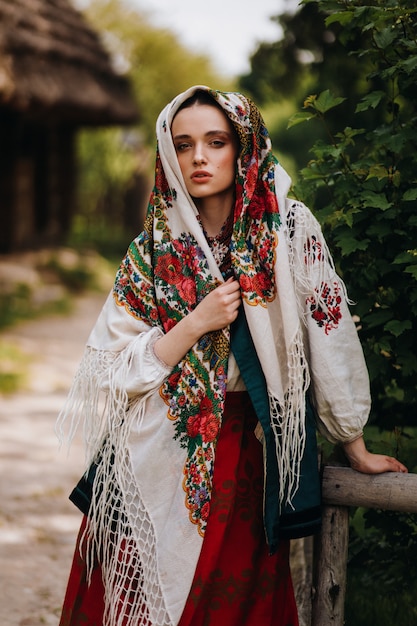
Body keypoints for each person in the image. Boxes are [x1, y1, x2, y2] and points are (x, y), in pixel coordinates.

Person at [57, 85, 407, 626]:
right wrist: (195, 322)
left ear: (242, 146)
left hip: (242, 459)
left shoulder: (287, 230)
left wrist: (352, 443)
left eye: (215, 141)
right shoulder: (153, 247)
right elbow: (112, 369)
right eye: (183, 144)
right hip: (148, 455)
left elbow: (329, 333)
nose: (198, 157)